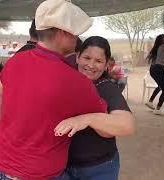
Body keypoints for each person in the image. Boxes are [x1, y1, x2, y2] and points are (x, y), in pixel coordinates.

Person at [0, 0, 107, 179]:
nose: (77, 37)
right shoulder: (76, 81)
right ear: (62, 32)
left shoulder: (15, 61)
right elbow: (104, 124)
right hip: (38, 173)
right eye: (74, 32)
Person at [55, 36, 135, 180]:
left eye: (98, 61)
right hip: (61, 167)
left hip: (99, 168)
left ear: (106, 65)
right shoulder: (63, 79)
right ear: (77, 57)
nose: (91, 65)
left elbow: (126, 125)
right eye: (87, 58)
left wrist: (87, 119)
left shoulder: (106, 88)